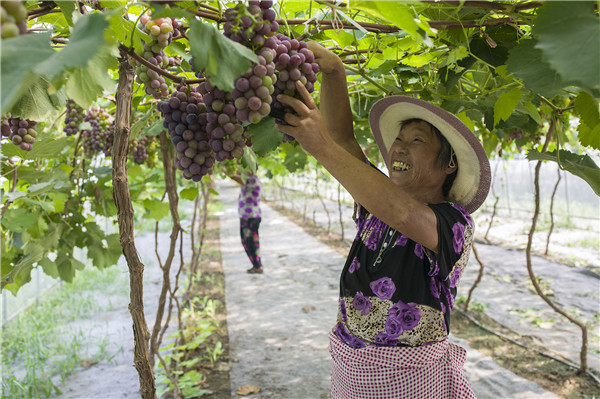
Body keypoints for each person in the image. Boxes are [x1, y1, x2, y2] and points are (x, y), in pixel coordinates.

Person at [275, 42, 491, 398]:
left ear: (449, 164)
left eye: (417, 140)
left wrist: (320, 146)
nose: (399, 148)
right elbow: (343, 137)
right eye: (398, 139)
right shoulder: (376, 203)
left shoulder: (454, 223)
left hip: (411, 380)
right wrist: (334, 72)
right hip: (352, 369)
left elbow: (404, 213)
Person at [231, 170, 264, 274]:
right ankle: (256, 265)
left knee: (251, 242)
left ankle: (258, 266)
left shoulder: (252, 180)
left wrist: (223, 168)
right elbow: (237, 173)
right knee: (248, 241)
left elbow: (235, 176)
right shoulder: (249, 179)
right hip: (247, 217)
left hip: (251, 217)